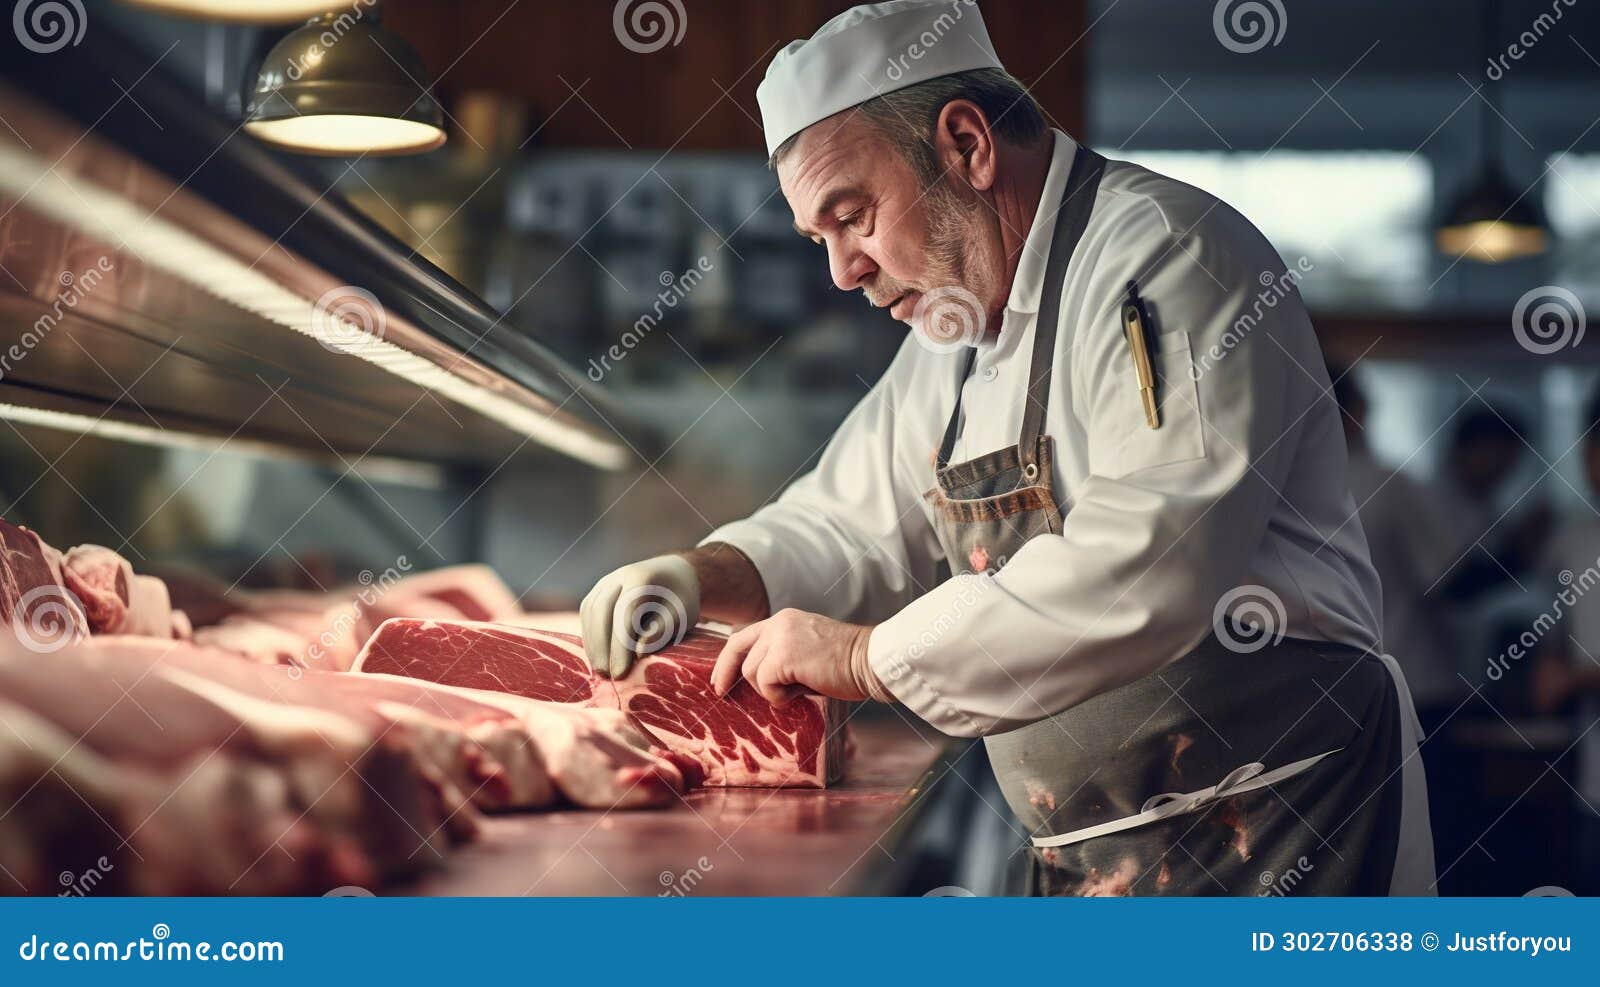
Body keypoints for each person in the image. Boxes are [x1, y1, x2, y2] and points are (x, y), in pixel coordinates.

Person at [581, 0, 1433, 895]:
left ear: (967, 146)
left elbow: (1151, 567)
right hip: (1090, 851)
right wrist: (707, 570)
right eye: (819, 238)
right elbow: (850, 523)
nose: (842, 270)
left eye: (854, 216)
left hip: (1283, 828)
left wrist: (864, 658)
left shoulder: (1168, 258)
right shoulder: (954, 327)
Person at [1532, 391, 1600, 895]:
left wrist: (1576, 678)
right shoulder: (1574, 538)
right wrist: (1551, 661)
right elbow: (1556, 627)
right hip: (1593, 784)